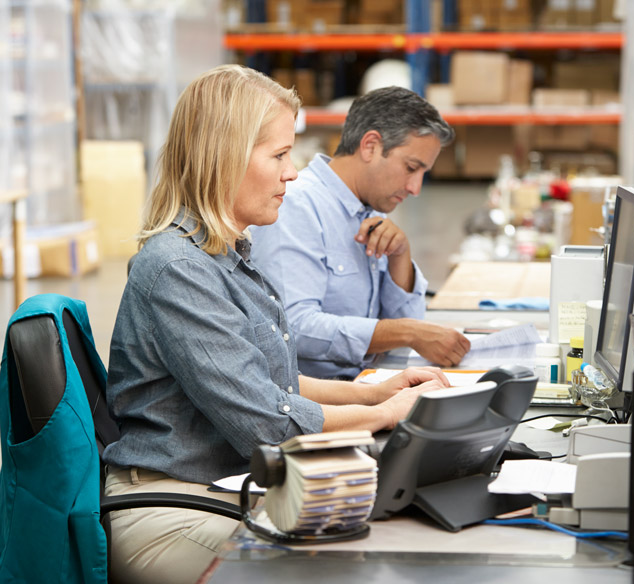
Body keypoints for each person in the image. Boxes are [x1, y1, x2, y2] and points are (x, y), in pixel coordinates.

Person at [102, 65, 449, 584]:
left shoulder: (227, 253)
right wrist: (386, 415)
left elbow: (273, 384)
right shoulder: (180, 270)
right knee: (354, 567)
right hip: (173, 508)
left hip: (225, 488)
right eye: (280, 156)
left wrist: (378, 396)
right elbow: (267, 423)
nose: (292, 173)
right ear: (224, 157)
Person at [250, 86, 471, 379]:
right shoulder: (296, 206)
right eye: (410, 168)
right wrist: (406, 332)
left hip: (367, 383)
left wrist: (400, 259)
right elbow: (294, 327)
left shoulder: (370, 207)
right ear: (370, 146)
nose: (415, 188)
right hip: (321, 403)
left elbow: (412, 332)